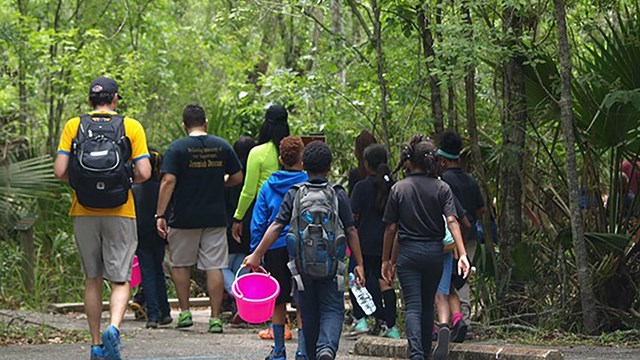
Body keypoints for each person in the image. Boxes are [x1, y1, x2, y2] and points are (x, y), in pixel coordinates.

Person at [54, 76, 151, 360]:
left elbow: (60, 170)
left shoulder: (75, 125)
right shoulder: (131, 126)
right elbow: (144, 172)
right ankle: (114, 328)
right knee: (120, 279)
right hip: (121, 210)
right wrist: (122, 180)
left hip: (83, 210)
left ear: (89, 101)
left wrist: (84, 183)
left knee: (92, 278)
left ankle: (96, 344)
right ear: (116, 99)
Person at [245, 141, 366, 360]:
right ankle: (326, 348)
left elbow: (276, 225)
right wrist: (359, 264)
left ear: (303, 164)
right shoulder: (338, 194)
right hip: (332, 268)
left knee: (307, 309)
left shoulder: (295, 194)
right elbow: (351, 230)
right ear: (329, 166)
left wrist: (256, 253)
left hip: (301, 267)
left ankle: (310, 352)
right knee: (332, 308)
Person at [155, 104, 243, 334]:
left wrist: (160, 214)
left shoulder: (177, 149)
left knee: (181, 263)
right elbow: (237, 176)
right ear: (205, 122)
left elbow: (168, 182)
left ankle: (185, 313)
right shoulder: (222, 146)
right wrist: (220, 183)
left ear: (184, 125)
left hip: (184, 216)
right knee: (214, 266)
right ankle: (215, 318)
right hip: (215, 216)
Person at [381, 135, 470, 360]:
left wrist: (386, 261)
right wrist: (462, 254)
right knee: (427, 303)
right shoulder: (442, 187)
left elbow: (391, 229)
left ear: (409, 161)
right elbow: (452, 221)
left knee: (412, 305)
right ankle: (425, 351)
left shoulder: (399, 188)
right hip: (434, 254)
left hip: (408, 254)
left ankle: (417, 353)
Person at [250, 136, 309, 360]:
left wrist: (257, 252)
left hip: (273, 247)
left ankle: (279, 350)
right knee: (302, 300)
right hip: (303, 248)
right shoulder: (307, 183)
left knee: (278, 300)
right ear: (302, 160)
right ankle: (303, 351)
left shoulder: (268, 185)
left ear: (280, 159)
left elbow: (258, 222)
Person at [438, 130, 485, 339]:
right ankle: (464, 322)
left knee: (446, 280)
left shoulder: (443, 181)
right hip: (470, 235)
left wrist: (458, 242)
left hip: (450, 238)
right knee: (462, 280)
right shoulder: (470, 180)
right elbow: (480, 209)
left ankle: (449, 323)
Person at [350, 144, 399, 338]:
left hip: (364, 243)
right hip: (386, 243)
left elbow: (353, 215)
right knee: (385, 281)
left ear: (366, 164)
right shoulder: (393, 186)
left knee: (358, 279)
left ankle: (360, 319)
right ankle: (391, 326)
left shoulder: (361, 187)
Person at [232, 104, 290, 242]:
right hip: (290, 217)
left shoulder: (258, 153)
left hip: (264, 217)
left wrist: (238, 217)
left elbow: (249, 191)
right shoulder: (293, 150)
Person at [132, 148, 172, 329]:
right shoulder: (163, 187)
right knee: (158, 271)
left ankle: (153, 315)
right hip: (159, 234)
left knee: (147, 273)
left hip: (141, 235)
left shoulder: (134, 189)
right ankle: (165, 311)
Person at [346, 130, 377, 332]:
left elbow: (351, 207)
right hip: (382, 234)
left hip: (359, 232)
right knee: (378, 278)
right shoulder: (386, 178)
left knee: (355, 273)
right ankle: (380, 317)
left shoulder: (356, 175)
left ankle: (360, 317)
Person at [222, 136, 256, 308]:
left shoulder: (230, 177)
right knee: (243, 266)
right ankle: (244, 301)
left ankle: (238, 297)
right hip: (250, 227)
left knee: (222, 267)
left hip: (229, 228)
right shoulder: (254, 175)